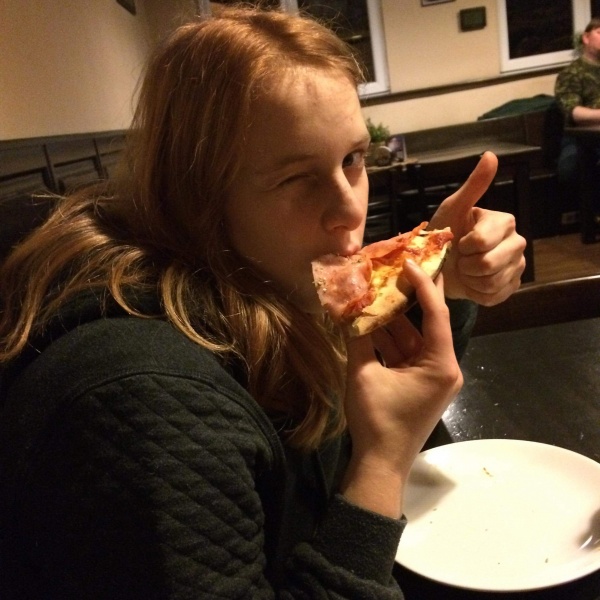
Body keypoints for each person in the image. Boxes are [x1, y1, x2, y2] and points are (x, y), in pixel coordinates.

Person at [0, 5, 525, 599]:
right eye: (295, 178)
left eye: (352, 159)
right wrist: (382, 463)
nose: (350, 209)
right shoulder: (141, 401)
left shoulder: (261, 278)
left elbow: (329, 445)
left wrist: (440, 281)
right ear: (198, 196)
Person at [554, 18, 600, 191]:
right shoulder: (571, 73)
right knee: (572, 169)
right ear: (586, 38)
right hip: (581, 140)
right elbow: (572, 112)